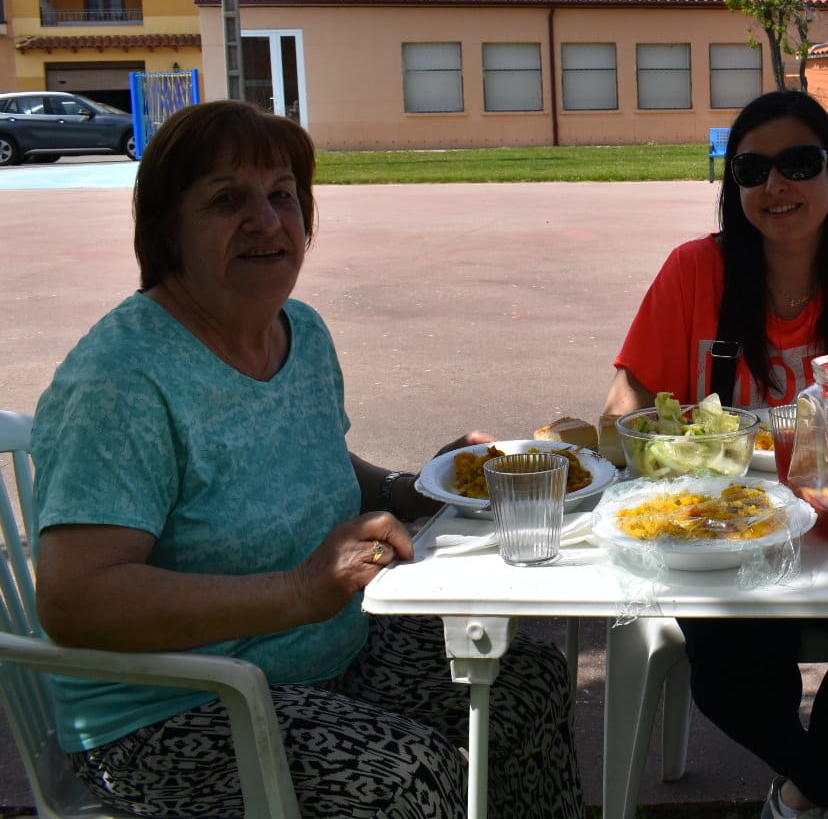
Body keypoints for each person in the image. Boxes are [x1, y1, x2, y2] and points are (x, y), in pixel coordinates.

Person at [32, 101, 584, 819]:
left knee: (527, 681)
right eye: (228, 199)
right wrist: (299, 590)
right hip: (174, 706)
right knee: (409, 777)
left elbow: (305, 456)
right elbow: (78, 600)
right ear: (168, 230)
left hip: (325, 649)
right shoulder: (122, 381)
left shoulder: (300, 331)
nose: (267, 219)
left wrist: (408, 488)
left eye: (283, 194)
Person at [605, 89, 828, 819]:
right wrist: (669, 441)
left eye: (800, 164)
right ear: (731, 185)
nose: (777, 187)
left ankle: (800, 799)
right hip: (734, 532)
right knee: (731, 670)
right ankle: (820, 793)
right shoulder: (693, 273)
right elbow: (624, 415)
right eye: (752, 170)